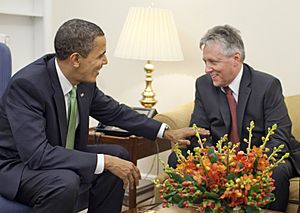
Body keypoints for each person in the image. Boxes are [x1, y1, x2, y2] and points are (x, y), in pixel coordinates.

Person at [0, 19, 208, 213]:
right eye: (100, 55)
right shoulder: (28, 85)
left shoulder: (83, 81)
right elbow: (38, 155)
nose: (105, 61)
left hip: (58, 152)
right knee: (65, 181)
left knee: (118, 156)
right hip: (17, 166)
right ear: (75, 59)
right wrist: (104, 161)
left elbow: (115, 112)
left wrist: (166, 132)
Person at [168, 25, 300, 212]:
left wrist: (246, 164)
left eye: (213, 62)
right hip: (219, 157)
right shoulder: (203, 84)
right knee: (177, 158)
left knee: (275, 172)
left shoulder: (267, 85)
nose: (207, 69)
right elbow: (199, 132)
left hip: (259, 158)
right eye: (205, 61)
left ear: (235, 59)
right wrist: (216, 163)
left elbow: (278, 137)